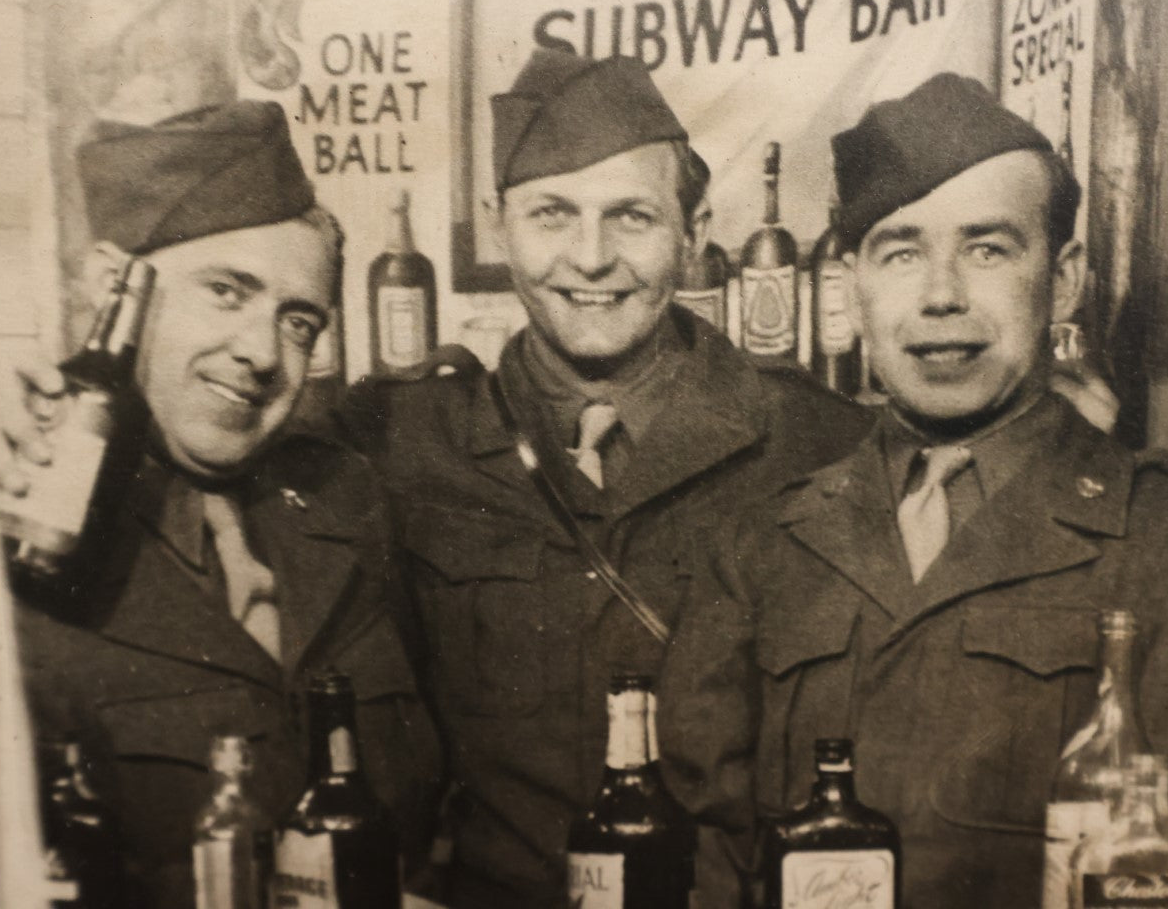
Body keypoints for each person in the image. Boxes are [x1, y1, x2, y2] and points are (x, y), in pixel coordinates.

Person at [659, 73, 1168, 909]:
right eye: (900, 252)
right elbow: (708, 856)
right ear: (853, 285)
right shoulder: (759, 542)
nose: (940, 295)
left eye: (987, 249)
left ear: (1064, 277)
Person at [329, 49, 876, 908]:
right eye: (551, 214)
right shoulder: (403, 439)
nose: (590, 259)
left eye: (631, 217)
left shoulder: (818, 439)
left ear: (693, 232)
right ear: (495, 225)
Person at [0, 101, 441, 909]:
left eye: (298, 321)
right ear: (110, 284)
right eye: (226, 291)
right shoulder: (12, 508)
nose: (262, 354)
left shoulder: (345, 500)